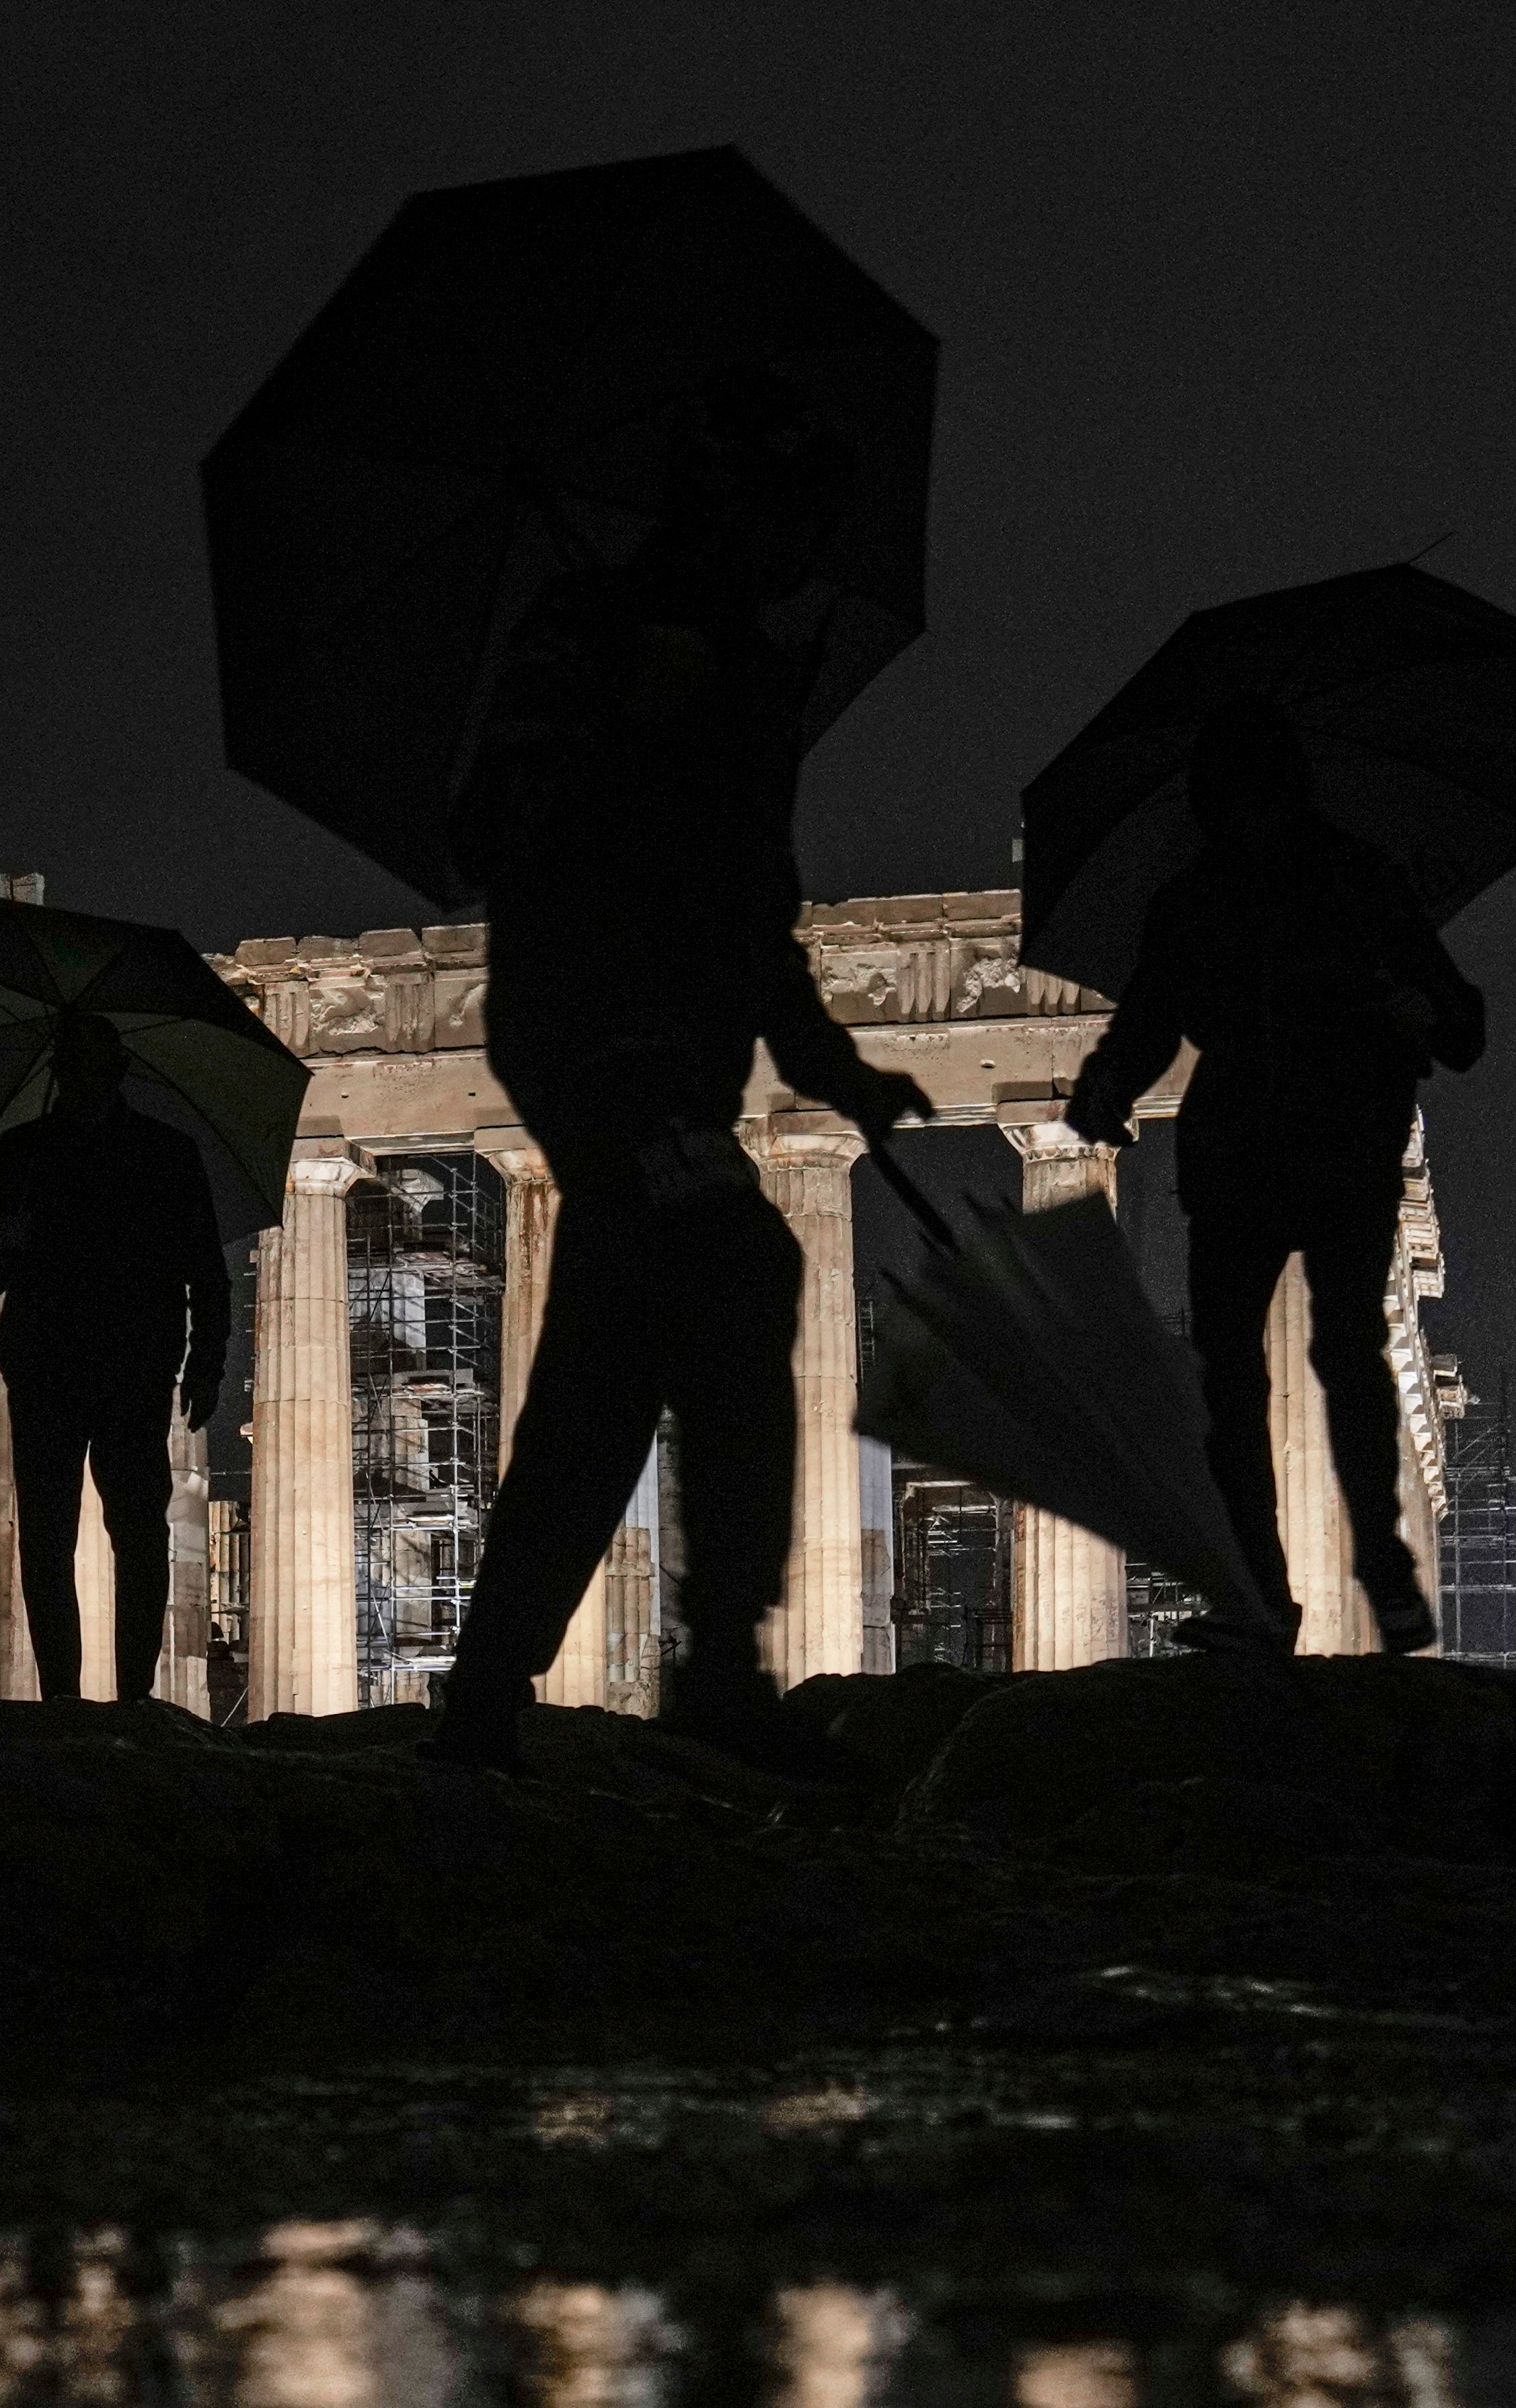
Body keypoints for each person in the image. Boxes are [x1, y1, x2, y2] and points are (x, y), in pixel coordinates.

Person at [421, 371, 929, 1777]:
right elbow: (479, 834)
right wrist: (614, 724)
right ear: (726, 505)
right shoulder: (584, 628)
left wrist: (834, 1068)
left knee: (614, 1350)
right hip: (589, 1019)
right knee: (736, 1262)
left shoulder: (758, 674)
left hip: (685, 1048)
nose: (806, 550)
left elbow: (757, 909)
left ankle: (487, 1690)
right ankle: (717, 1666)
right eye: (792, 516)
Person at [1063, 707, 1479, 1656]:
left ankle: (1370, 1566)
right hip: (1253, 1149)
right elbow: (1148, 1022)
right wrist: (1107, 1083)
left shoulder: (1355, 882)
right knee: (1236, 1372)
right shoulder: (1203, 901)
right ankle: (1268, 1590)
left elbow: (1461, 1020)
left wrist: (1422, 1011)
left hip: (1332, 1136)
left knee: (1334, 1350)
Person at [0, 1013, 227, 1706]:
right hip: (46, 1366)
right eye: (72, 1069)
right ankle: (62, 1696)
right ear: (58, 1073)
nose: (82, 1081)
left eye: (93, 1069)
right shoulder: (18, 1154)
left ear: (116, 1073)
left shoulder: (165, 1153)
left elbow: (206, 1268)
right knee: (46, 1536)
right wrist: (6, 1239)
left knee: (138, 1529)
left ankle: (134, 1694)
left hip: (132, 1365)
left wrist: (208, 1360)